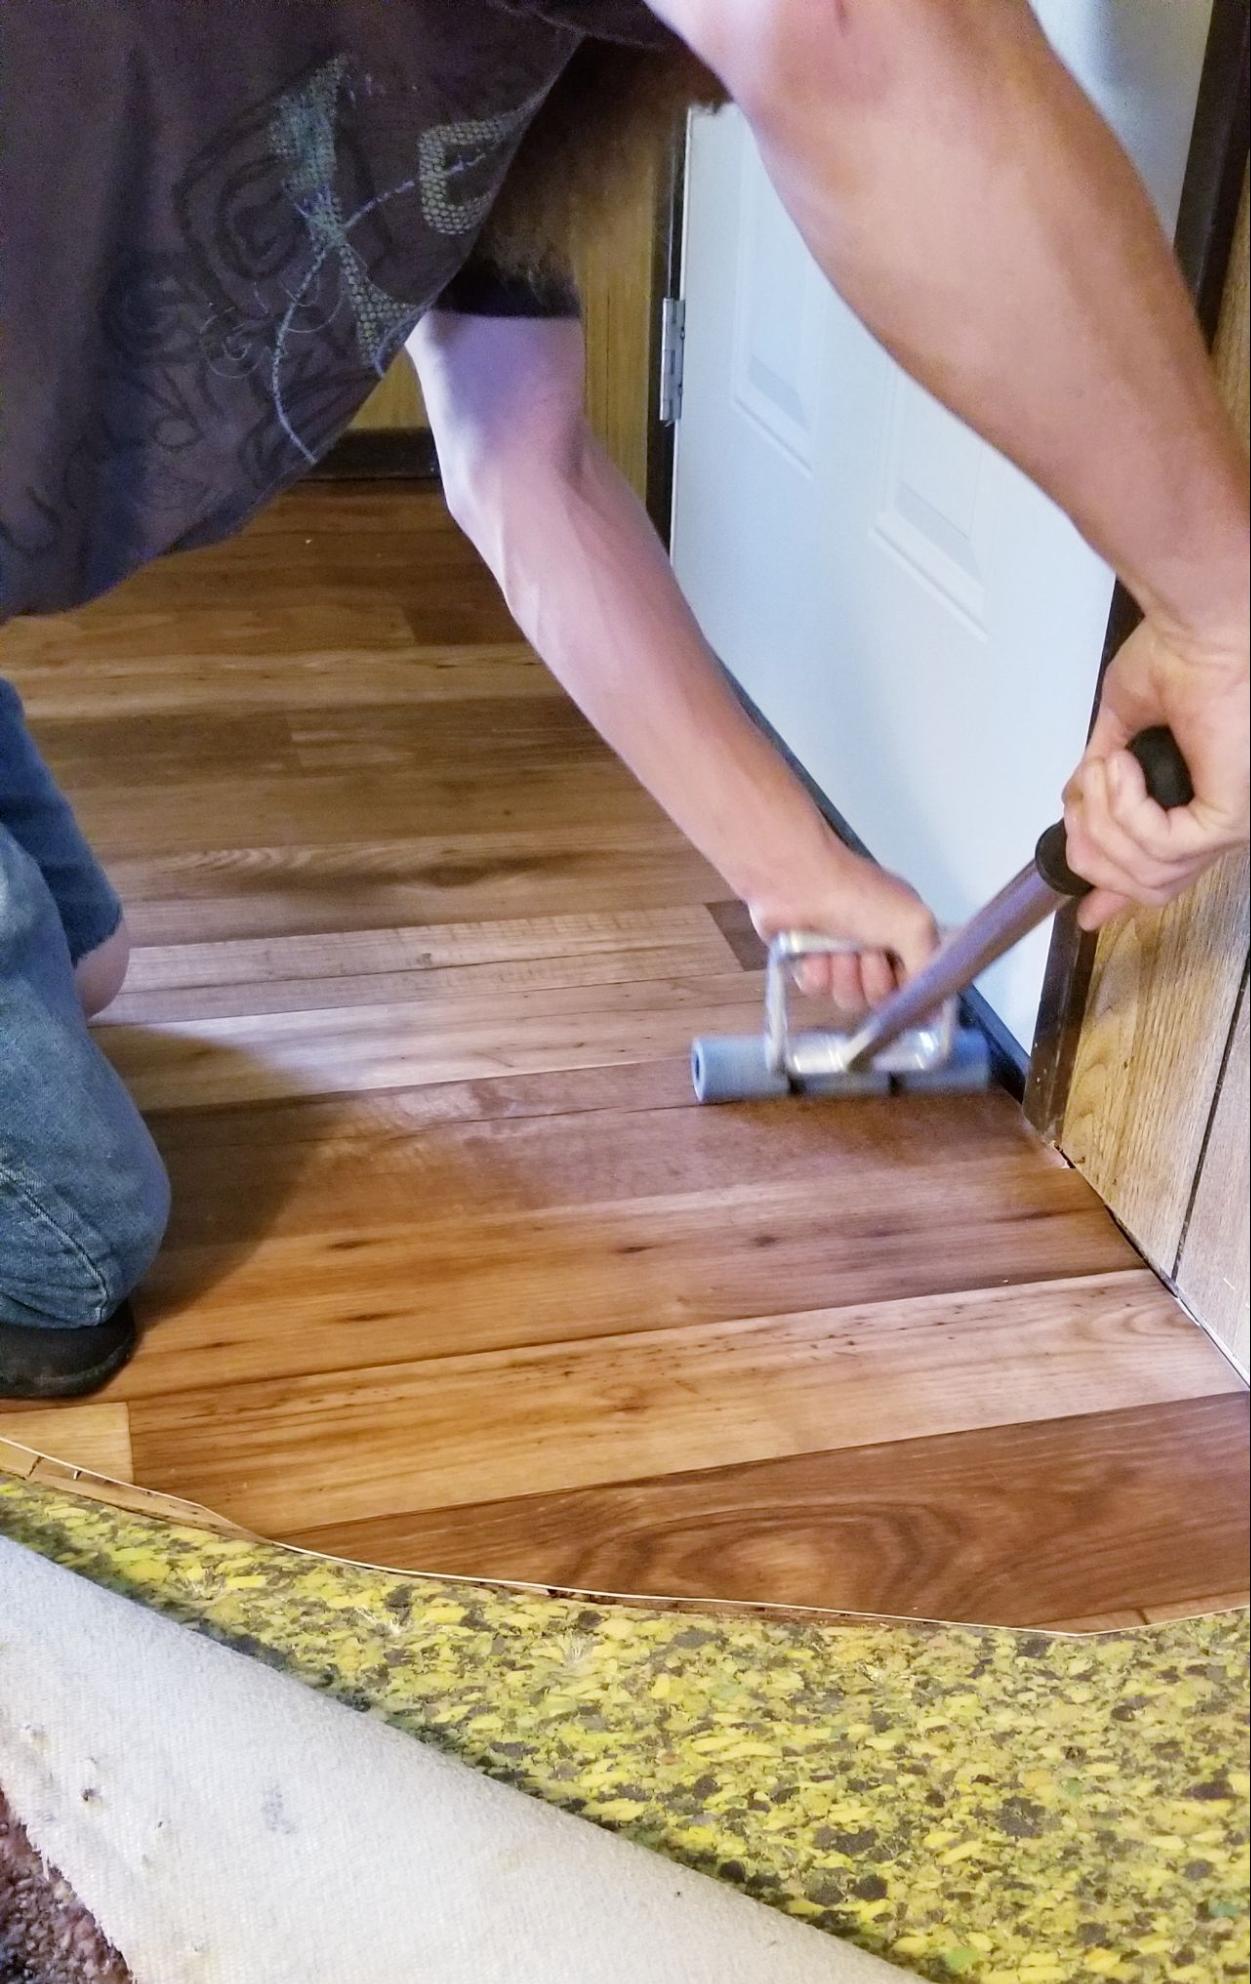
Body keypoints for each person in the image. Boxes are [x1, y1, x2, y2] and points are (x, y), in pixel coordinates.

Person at [2, 0, 1247, 1398]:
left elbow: (523, 465)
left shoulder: (504, 56)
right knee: (62, 1251)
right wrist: (1222, 619)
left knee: (88, 976)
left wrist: (798, 869)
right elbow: (856, 32)